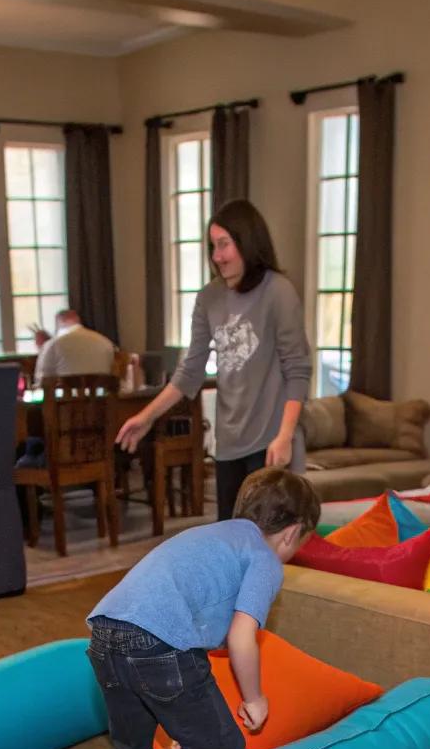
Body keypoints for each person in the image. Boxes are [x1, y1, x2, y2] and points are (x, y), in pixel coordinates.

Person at [25, 467, 319, 749]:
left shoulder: (208, 537)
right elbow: (242, 637)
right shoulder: (263, 557)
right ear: (293, 532)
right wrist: (255, 698)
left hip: (105, 636)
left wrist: (185, 727)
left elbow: (174, 652)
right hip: (159, 647)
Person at [115, 199, 312, 522]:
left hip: (272, 443)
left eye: (224, 245)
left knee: (274, 546)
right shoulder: (209, 298)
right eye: (213, 246)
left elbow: (298, 370)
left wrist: (285, 435)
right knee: (231, 543)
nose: (217, 256)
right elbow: (189, 371)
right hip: (229, 444)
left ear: (247, 242)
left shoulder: (278, 292)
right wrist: (147, 417)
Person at [34, 309, 116, 381]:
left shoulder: (52, 345)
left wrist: (42, 350)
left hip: (65, 398)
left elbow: (41, 381)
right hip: (101, 397)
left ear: (60, 322)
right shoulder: (106, 342)